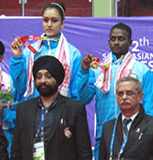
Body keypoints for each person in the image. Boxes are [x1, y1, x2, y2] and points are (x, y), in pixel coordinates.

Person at [76, 22, 153, 159]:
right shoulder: (100, 69)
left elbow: (148, 107)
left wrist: (145, 135)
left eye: (121, 39)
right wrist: (83, 72)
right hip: (105, 135)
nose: (116, 43)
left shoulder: (143, 71)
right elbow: (83, 98)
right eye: (113, 39)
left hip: (135, 135)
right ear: (108, 41)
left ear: (130, 43)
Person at [11, 56, 92, 160]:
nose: (43, 81)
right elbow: (16, 151)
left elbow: (84, 153)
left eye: (48, 77)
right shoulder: (23, 109)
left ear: (57, 79)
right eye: (39, 77)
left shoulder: (74, 108)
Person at [10, 2, 82, 102]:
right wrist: (17, 57)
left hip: (62, 109)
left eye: (54, 20)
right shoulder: (30, 52)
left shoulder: (73, 54)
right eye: (45, 20)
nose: (49, 24)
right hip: (34, 109)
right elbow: (21, 88)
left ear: (62, 23)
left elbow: (77, 92)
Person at [99, 76, 153, 159]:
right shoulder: (108, 127)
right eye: (120, 94)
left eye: (129, 93)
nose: (124, 97)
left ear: (140, 97)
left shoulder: (150, 125)